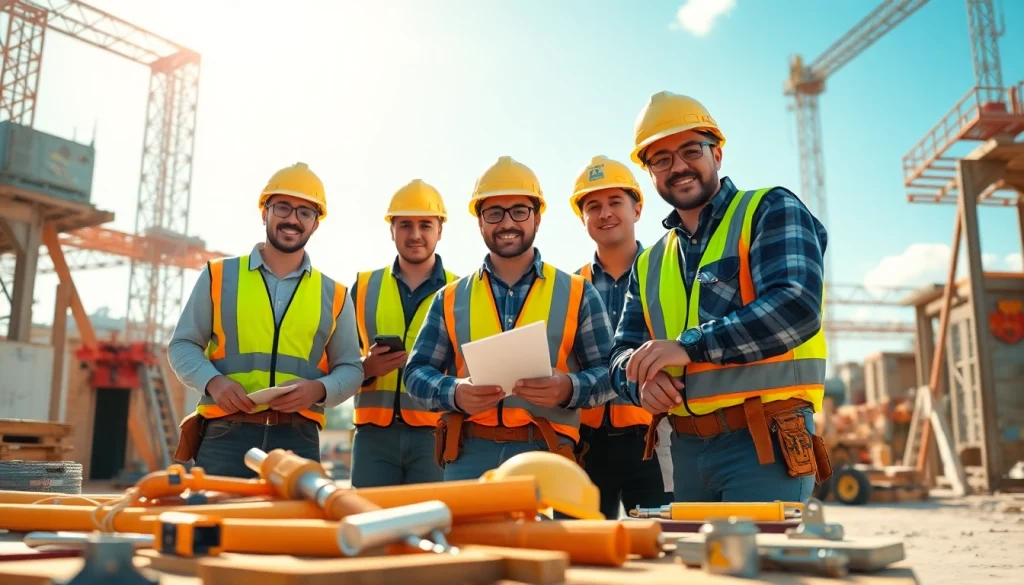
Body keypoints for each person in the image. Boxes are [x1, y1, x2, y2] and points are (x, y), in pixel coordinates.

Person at [609, 91, 833, 502]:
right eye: (661, 159)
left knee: (756, 548)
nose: (678, 166)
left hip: (764, 442)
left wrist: (689, 346)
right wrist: (639, 382)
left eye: (690, 150)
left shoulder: (769, 209)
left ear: (717, 154)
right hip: (685, 450)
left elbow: (796, 305)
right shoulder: (649, 262)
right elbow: (621, 352)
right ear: (650, 173)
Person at [404, 156, 615, 483]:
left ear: (537, 218)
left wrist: (568, 388)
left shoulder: (578, 292)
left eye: (519, 211)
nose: (507, 223)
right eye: (494, 213)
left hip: (548, 451)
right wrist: (454, 391)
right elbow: (416, 373)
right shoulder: (449, 298)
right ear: (480, 222)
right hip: (467, 453)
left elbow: (611, 373)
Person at [168, 162, 364, 478]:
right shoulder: (218, 275)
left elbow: (351, 368)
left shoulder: (336, 294)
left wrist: (318, 389)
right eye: (283, 207)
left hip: (298, 437)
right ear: (265, 213)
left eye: (305, 212)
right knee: (218, 512)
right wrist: (214, 382)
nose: (293, 219)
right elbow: (182, 345)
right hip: (226, 432)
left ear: (315, 224)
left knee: (291, 515)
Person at [569, 155, 674, 520]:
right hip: (584, 444)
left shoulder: (667, 274)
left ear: (637, 210)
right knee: (583, 546)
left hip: (654, 439)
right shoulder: (569, 288)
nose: (605, 213)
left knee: (660, 544)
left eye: (615, 202)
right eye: (593, 206)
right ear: (583, 219)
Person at [349, 179, 458, 487]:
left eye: (425, 225)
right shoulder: (364, 287)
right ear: (392, 230)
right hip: (373, 438)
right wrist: (366, 367)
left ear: (440, 230)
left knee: (430, 518)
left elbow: (469, 368)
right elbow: (338, 363)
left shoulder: (460, 291)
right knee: (367, 517)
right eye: (405, 225)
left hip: (437, 434)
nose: (415, 235)